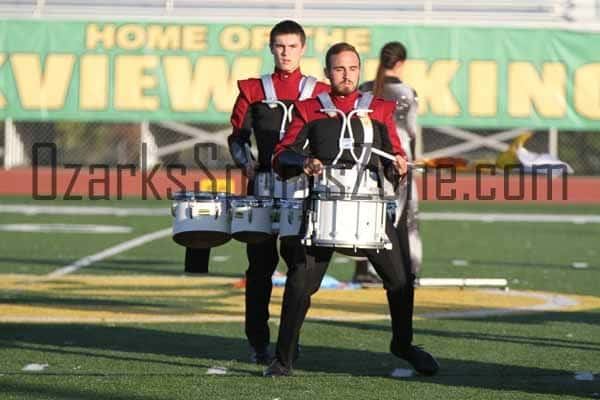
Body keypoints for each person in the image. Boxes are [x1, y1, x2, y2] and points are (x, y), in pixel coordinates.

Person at [265, 42, 439, 377]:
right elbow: (280, 155)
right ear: (328, 72)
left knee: (401, 281)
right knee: (300, 283)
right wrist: (305, 162)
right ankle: (283, 358)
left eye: (353, 69)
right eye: (339, 69)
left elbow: (393, 155)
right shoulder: (309, 109)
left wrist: (398, 167)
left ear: (360, 71)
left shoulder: (379, 109)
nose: (347, 75)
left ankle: (403, 345)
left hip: (369, 209)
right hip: (323, 209)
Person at [225, 20, 329, 364]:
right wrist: (247, 163)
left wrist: (317, 164)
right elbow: (237, 140)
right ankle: (258, 342)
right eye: (280, 46)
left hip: (303, 191)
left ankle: (289, 340)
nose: (286, 53)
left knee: (301, 268)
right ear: (271, 48)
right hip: (263, 188)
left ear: (303, 48)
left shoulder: (319, 92)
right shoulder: (254, 90)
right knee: (259, 269)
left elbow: (327, 141)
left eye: (292, 46)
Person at [353, 41, 423, 284]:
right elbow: (411, 132)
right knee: (405, 219)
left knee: (365, 213)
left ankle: (364, 271)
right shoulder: (407, 93)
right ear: (401, 63)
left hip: (369, 159)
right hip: (398, 160)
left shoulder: (364, 89)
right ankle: (408, 270)